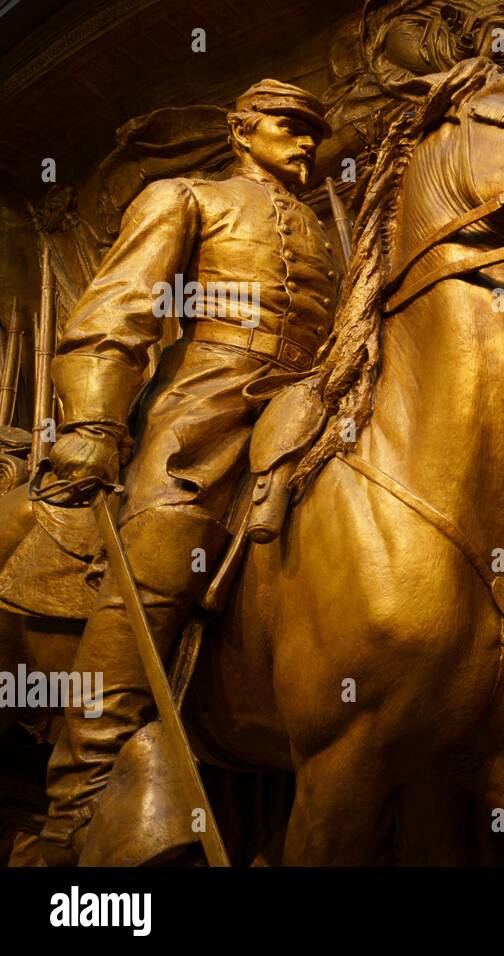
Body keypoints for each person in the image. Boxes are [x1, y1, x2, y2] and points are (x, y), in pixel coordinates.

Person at [37, 79, 340, 864]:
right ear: (241, 130)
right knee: (163, 550)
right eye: (288, 126)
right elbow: (120, 307)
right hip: (208, 395)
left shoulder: (322, 231)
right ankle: (80, 794)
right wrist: (96, 420)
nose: (306, 142)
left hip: (312, 399)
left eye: (313, 131)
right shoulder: (186, 196)